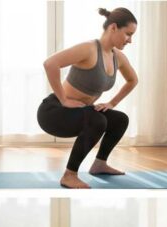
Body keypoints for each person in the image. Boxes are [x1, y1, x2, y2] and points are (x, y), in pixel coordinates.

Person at [38, 7, 139, 188]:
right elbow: (50, 63)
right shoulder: (89, 49)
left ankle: (99, 164)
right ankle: (69, 175)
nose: (130, 40)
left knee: (119, 119)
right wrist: (64, 100)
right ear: (113, 27)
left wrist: (111, 103)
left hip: (81, 112)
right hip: (54, 112)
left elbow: (133, 80)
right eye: (128, 34)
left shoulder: (118, 57)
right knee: (98, 120)